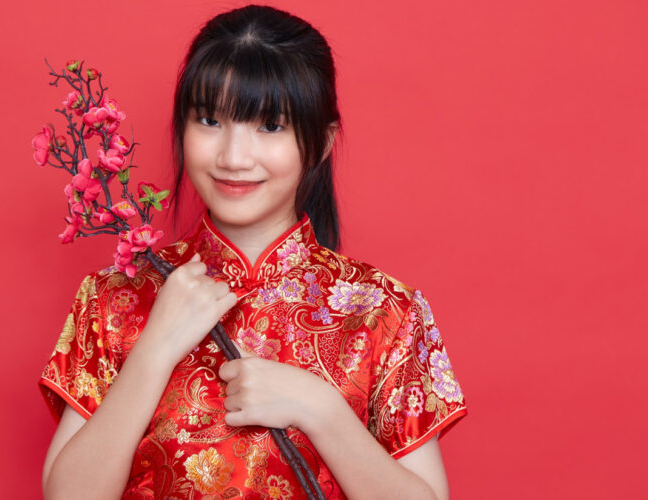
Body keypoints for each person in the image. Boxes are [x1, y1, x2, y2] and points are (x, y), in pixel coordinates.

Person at [39, 5, 467, 499]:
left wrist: (319, 409)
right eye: (209, 120)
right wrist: (153, 350)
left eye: (270, 126)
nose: (233, 158)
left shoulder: (383, 312)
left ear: (322, 142)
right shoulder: (115, 297)